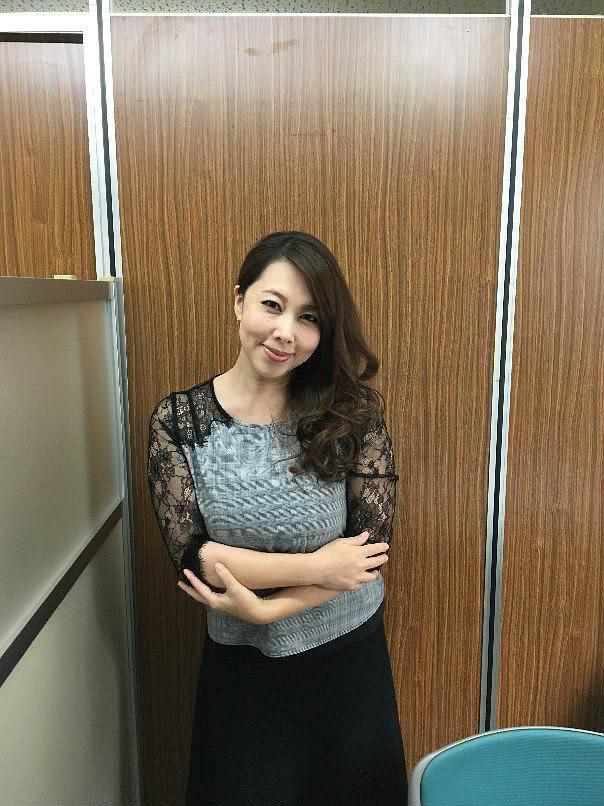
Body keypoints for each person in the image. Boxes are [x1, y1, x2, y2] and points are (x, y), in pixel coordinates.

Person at [147, 231, 408, 805]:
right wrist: (315, 567)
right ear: (239, 301)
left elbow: (365, 557)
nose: (286, 332)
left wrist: (270, 607)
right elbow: (195, 558)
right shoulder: (180, 421)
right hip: (241, 673)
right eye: (273, 305)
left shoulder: (352, 415)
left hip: (347, 663)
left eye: (308, 317)